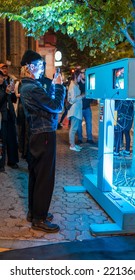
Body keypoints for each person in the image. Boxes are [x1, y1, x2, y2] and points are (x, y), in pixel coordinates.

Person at [20, 50, 65, 233]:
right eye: (39, 65)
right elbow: (56, 107)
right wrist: (60, 87)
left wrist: (53, 87)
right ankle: (39, 218)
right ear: (30, 67)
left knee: (36, 175)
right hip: (44, 134)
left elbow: (47, 105)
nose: (41, 69)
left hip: (37, 134)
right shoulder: (32, 88)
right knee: (45, 178)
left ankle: (34, 213)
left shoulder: (27, 86)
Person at [0, 69, 19, 170]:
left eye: (2, 76)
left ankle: (12, 161)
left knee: (12, 140)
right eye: (0, 76)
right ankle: (1, 163)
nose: (2, 78)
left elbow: (13, 100)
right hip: (2, 118)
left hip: (10, 116)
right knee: (2, 141)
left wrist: (11, 92)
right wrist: (6, 93)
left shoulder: (5, 85)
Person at [67, 69, 85, 152]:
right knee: (73, 128)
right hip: (74, 110)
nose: (80, 78)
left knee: (75, 128)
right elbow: (73, 99)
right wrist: (82, 96)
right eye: (79, 76)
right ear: (75, 76)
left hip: (77, 110)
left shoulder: (75, 85)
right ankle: (72, 145)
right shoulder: (73, 86)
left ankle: (73, 144)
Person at [77, 69, 94, 144]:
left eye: (85, 73)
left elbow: (91, 92)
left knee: (89, 123)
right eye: (83, 73)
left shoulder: (88, 82)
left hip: (87, 107)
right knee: (79, 124)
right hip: (80, 107)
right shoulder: (77, 84)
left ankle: (89, 138)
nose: (84, 74)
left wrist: (90, 100)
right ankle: (80, 139)